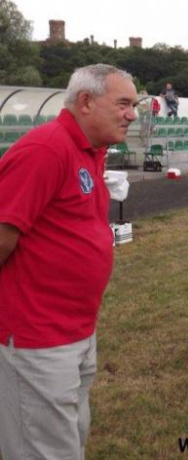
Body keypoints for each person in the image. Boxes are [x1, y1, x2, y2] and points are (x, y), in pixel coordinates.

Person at [0, 64, 138, 459]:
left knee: (68, 436)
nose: (132, 114)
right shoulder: (46, 149)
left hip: (76, 331)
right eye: (124, 103)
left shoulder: (89, 151)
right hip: (36, 338)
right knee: (41, 448)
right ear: (85, 102)